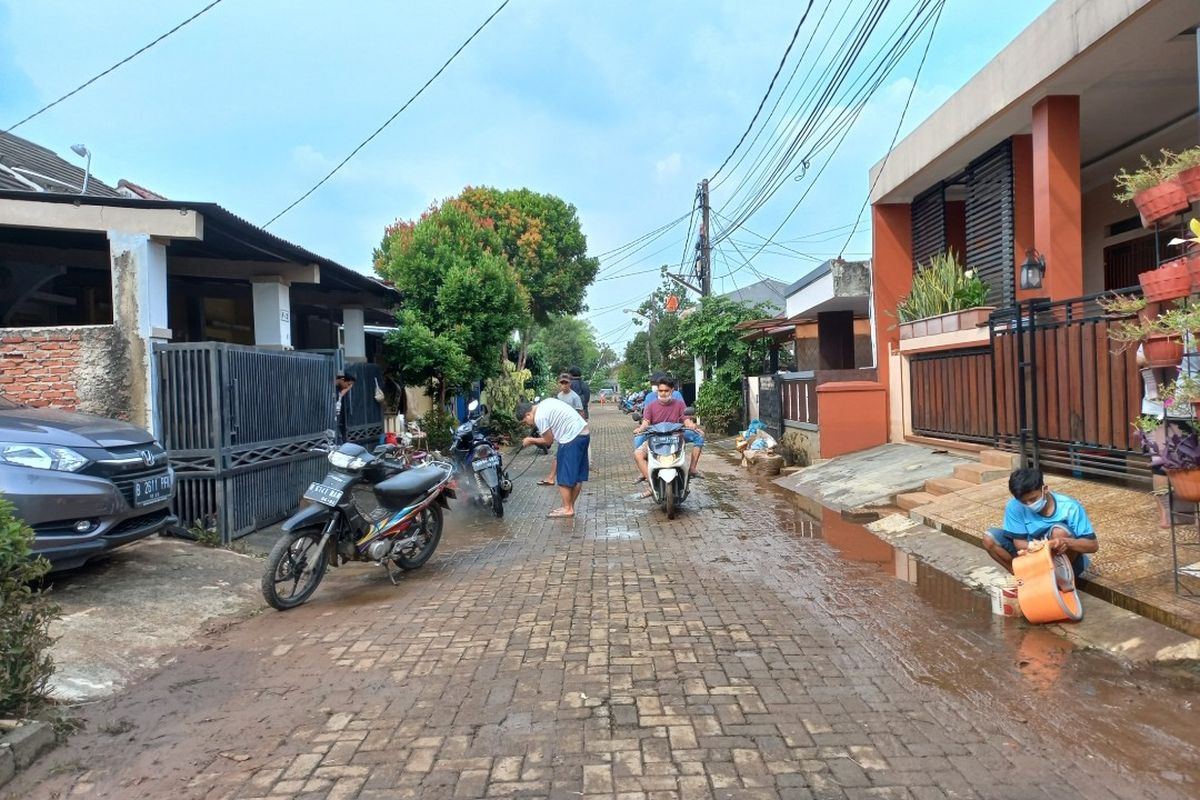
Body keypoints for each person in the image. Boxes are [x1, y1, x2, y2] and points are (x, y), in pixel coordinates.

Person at [983, 467, 1098, 580]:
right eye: (1024, 502)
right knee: (989, 538)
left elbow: (1092, 545)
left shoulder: (1070, 507)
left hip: (1064, 561)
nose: (1029, 505)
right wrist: (1042, 546)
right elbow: (1019, 543)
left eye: (1033, 499)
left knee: (1060, 532)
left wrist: (1065, 542)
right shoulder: (1014, 506)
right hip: (1033, 556)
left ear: (1045, 489)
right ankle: (1021, 577)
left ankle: (1060, 579)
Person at [632, 375, 704, 495]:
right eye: (661, 390)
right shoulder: (650, 406)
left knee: (699, 436)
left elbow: (686, 420)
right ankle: (650, 484)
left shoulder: (680, 404)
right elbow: (646, 422)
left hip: (676, 437)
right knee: (638, 453)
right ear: (657, 391)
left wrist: (692, 425)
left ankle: (692, 469)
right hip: (655, 438)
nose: (663, 393)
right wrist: (640, 428)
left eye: (666, 390)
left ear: (672, 391)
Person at [519, 397, 590, 518]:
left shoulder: (540, 417)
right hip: (583, 434)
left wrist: (530, 440)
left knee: (563, 477)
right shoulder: (546, 402)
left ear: (528, 415)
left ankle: (567, 509)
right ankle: (569, 506)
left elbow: (548, 440)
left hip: (571, 438)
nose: (527, 425)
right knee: (577, 476)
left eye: (525, 422)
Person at [539, 374, 585, 486]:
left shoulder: (575, 397)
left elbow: (581, 413)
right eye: (562, 383)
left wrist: (579, 429)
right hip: (562, 430)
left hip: (573, 430)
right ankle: (553, 477)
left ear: (570, 383)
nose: (564, 385)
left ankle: (570, 477)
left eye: (566, 383)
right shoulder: (559, 396)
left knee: (564, 454)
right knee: (559, 454)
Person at [334, 373, 356, 444]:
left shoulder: (339, 390)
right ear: (342, 380)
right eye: (348, 384)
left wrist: (349, 387)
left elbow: (341, 394)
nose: (348, 387)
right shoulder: (333, 390)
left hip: (337, 420)